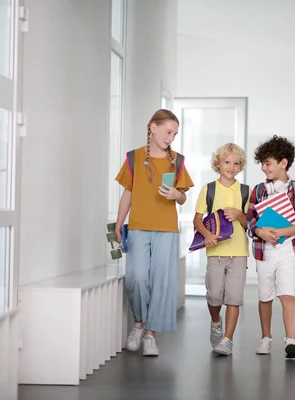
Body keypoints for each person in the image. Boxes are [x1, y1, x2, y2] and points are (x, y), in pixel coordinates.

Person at [114, 109, 194, 357]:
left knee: (161, 282)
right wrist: (119, 223)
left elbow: (183, 197)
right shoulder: (133, 158)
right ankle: (139, 323)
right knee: (137, 278)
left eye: (175, 134)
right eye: (168, 132)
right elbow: (128, 192)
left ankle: (150, 335)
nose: (171, 138)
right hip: (138, 227)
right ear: (153, 128)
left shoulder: (177, 161)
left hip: (167, 230)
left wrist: (176, 195)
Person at [247, 135, 295, 359]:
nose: (264, 168)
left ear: (283, 163)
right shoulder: (257, 191)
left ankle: (291, 340)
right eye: (262, 164)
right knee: (264, 296)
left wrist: (280, 233)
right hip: (263, 251)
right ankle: (266, 338)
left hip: (287, 251)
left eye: (268, 163)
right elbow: (249, 221)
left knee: (287, 295)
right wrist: (260, 232)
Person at [193, 143, 250, 356]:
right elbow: (197, 219)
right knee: (214, 296)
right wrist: (207, 235)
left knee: (234, 297)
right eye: (227, 162)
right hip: (215, 252)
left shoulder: (245, 191)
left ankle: (228, 339)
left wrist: (238, 214)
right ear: (218, 163)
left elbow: (250, 224)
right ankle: (216, 321)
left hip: (239, 253)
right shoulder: (208, 189)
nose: (232, 167)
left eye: (236, 163)